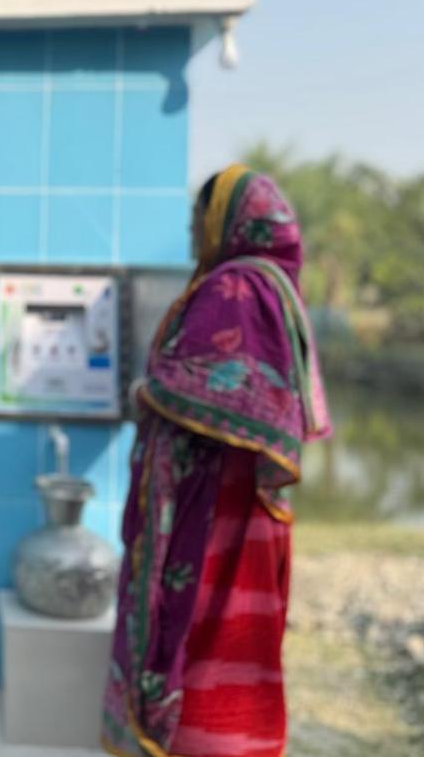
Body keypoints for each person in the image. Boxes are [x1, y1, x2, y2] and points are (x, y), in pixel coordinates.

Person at [101, 164, 330, 757]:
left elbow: (194, 386)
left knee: (206, 632)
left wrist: (145, 393)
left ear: (228, 221)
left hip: (214, 514)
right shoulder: (273, 285)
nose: (191, 231)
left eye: (197, 219)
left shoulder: (237, 288)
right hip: (241, 505)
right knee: (235, 641)